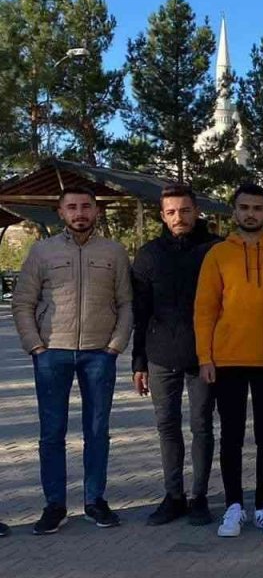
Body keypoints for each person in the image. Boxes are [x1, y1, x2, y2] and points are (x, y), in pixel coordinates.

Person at [12, 186, 132, 535]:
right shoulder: (42, 251)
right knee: (52, 433)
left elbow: (126, 302)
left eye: (86, 207)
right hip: (52, 353)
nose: (80, 213)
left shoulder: (113, 252)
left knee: (97, 431)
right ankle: (55, 505)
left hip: (100, 355)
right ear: (61, 213)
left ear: (96, 212)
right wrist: (36, 346)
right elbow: (23, 303)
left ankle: (95, 501)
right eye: (72, 208)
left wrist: (115, 345)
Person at [194, 183, 263, 538]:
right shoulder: (217, 254)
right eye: (244, 207)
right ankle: (234, 507)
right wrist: (205, 357)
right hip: (228, 360)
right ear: (234, 211)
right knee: (231, 437)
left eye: (257, 208)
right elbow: (205, 310)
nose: (250, 213)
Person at [130, 184, 221, 527]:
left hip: (204, 356)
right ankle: (174, 496)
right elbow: (140, 311)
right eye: (170, 212)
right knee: (167, 426)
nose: (178, 217)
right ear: (162, 215)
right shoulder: (149, 254)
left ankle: (199, 497)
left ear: (196, 211)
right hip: (159, 354)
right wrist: (138, 361)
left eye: (184, 210)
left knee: (202, 426)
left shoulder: (215, 249)